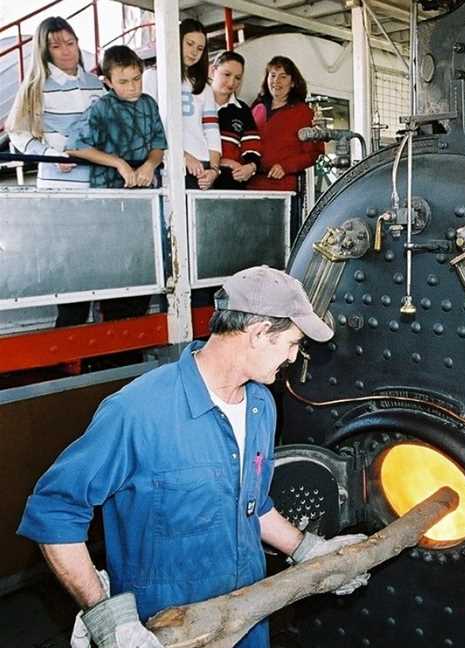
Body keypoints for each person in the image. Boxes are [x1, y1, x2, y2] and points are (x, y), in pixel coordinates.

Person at [17, 266, 369, 648]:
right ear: (258, 334)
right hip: (165, 631)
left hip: (249, 618)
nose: (293, 355)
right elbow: (55, 511)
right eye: (292, 342)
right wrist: (105, 616)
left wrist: (309, 550)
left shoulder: (261, 405)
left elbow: (253, 506)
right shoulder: (137, 411)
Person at [7, 17, 105, 328]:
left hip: (100, 187)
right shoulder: (37, 86)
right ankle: (71, 341)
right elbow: (19, 133)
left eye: (71, 43)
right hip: (61, 188)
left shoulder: (97, 84)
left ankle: (98, 346)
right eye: (56, 45)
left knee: (99, 262)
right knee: (69, 266)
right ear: (45, 50)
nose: (66, 51)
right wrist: (50, 154)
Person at [65, 46, 166, 189]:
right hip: (109, 191)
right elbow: (73, 147)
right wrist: (119, 163)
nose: (132, 87)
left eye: (137, 79)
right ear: (108, 82)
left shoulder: (149, 103)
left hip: (147, 189)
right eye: (123, 82)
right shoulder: (102, 107)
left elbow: (158, 145)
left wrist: (150, 165)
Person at [143, 18, 221, 190]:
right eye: (189, 44)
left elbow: (212, 132)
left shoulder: (204, 88)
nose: (194, 52)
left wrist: (214, 170)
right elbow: (150, 128)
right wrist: (182, 156)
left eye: (199, 48)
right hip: (167, 163)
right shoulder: (152, 77)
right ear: (176, 40)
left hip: (202, 166)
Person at [247, 56, 322, 193]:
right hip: (251, 185)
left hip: (283, 187)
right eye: (273, 75)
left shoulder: (304, 113)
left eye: (283, 76)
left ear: (292, 82)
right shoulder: (257, 108)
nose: (276, 81)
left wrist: (285, 166)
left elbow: (314, 153)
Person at [210, 51, 261, 189]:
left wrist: (251, 167)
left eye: (238, 78)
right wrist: (224, 162)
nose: (232, 82)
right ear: (213, 71)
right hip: (199, 181)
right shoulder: (196, 103)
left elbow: (253, 148)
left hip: (231, 185)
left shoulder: (242, 110)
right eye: (227, 75)